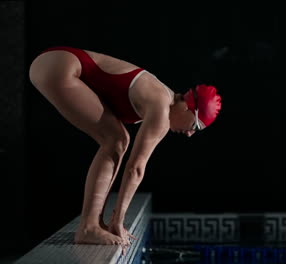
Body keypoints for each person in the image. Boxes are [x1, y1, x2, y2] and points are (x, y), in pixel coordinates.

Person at [28, 46, 222, 247]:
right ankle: (89, 226)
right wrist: (118, 221)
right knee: (116, 140)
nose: (190, 133)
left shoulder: (161, 96)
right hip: (60, 65)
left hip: (55, 62)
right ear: (189, 107)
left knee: (117, 139)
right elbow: (135, 169)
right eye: (196, 126)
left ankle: (94, 224)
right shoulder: (161, 108)